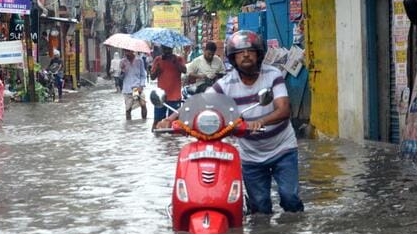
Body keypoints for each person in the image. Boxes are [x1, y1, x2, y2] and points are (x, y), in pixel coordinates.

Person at [157, 30, 304, 215]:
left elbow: (283, 110)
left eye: (250, 51)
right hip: (251, 154)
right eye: (240, 52)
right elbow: (198, 102)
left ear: (259, 53)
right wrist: (169, 119)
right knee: (260, 209)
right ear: (233, 58)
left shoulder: (273, 75)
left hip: (283, 148)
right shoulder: (226, 83)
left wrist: (259, 121)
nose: (246, 55)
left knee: (289, 198)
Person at [150, 45, 186, 130]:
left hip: (175, 97)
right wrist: (157, 70)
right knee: (157, 122)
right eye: (165, 49)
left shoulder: (179, 59)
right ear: (162, 49)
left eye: (169, 49)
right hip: (161, 97)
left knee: (174, 124)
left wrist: (176, 62)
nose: (167, 51)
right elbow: (152, 77)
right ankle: (156, 141)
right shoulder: (158, 60)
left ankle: (171, 142)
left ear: (172, 49)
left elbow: (184, 70)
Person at [121, 49, 147, 120]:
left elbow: (143, 75)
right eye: (125, 51)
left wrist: (141, 86)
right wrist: (122, 70)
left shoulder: (139, 61)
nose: (126, 53)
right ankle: (129, 126)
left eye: (128, 51)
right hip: (127, 89)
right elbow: (120, 78)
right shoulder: (123, 62)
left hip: (136, 88)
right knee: (128, 109)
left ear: (132, 51)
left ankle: (144, 122)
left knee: (143, 104)